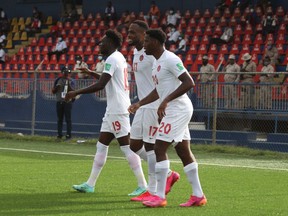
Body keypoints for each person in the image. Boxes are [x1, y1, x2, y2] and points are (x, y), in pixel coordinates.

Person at [128, 28, 206, 208]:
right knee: (183, 151)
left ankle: (159, 196)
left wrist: (166, 101)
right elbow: (158, 90)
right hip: (172, 109)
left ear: (155, 42)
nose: (144, 45)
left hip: (178, 109)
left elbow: (189, 82)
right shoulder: (156, 63)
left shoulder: (171, 59)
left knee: (158, 147)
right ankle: (198, 195)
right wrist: (140, 103)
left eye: (147, 41)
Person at [65, 30, 146, 194]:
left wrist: (76, 92)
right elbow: (107, 80)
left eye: (103, 42)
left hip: (117, 110)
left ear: (111, 43)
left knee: (127, 147)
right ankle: (90, 184)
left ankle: (145, 183)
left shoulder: (112, 58)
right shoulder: (119, 57)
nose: (100, 44)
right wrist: (91, 73)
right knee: (101, 146)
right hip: (113, 110)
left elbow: (101, 85)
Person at [127, 20, 180, 201]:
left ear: (144, 35)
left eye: (133, 32)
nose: (130, 35)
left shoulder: (152, 55)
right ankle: (167, 173)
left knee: (151, 147)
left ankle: (152, 188)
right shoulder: (136, 52)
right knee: (133, 145)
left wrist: (161, 101)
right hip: (143, 105)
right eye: (129, 32)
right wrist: (139, 103)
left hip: (153, 105)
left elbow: (163, 78)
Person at [51, 66, 75, 140]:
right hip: (59, 101)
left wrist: (68, 85)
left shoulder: (71, 80)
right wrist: (57, 88)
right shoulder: (58, 80)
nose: (66, 73)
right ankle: (59, 135)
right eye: (65, 72)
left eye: (67, 72)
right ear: (62, 72)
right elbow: (53, 91)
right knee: (60, 119)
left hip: (67, 101)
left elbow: (73, 90)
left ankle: (68, 135)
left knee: (68, 119)